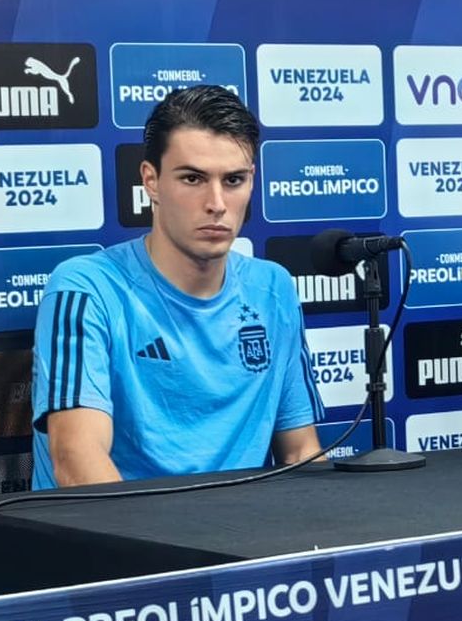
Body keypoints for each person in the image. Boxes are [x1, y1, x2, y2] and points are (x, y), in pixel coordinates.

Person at [31, 86, 323, 487]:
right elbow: (76, 462)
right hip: (121, 539)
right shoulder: (87, 288)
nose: (216, 203)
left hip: (247, 539)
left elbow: (301, 452)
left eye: (233, 180)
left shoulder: (273, 288)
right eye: (193, 178)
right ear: (151, 181)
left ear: (252, 181)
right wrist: (164, 550)